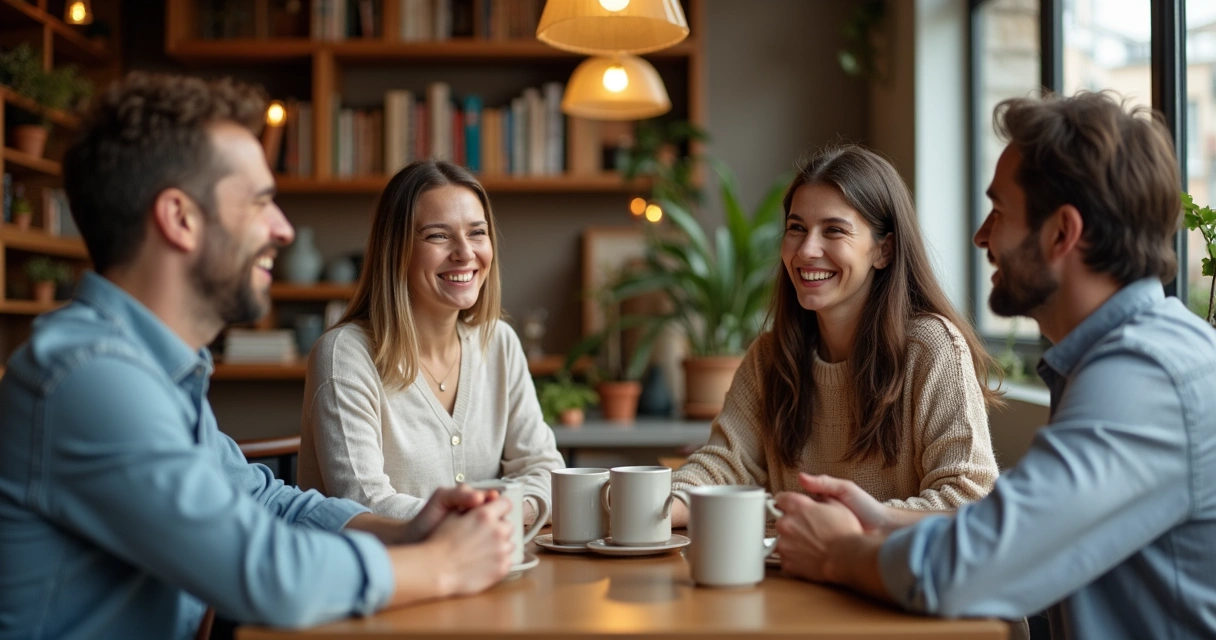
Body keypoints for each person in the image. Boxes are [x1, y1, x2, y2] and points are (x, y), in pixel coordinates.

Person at [0, 72, 517, 640]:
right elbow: (268, 574)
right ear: (180, 219)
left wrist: (413, 527)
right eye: (260, 202)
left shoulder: (157, 373)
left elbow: (269, 502)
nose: (284, 229)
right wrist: (444, 564)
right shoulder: (88, 378)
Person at [774, 92, 1216, 640]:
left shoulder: (1144, 379)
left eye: (1000, 211)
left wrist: (838, 553)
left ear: (1062, 233)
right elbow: (1021, 529)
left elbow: (976, 566)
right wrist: (882, 520)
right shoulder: (1127, 359)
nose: (982, 235)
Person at [669, 145, 1001, 526]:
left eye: (834, 231)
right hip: (796, 576)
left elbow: (970, 498)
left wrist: (849, 523)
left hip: (887, 582)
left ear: (884, 250)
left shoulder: (932, 348)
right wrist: (648, 508)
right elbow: (722, 466)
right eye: (796, 228)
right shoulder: (770, 356)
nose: (807, 249)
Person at [298, 159, 564, 523]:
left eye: (477, 232)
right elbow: (364, 504)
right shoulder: (344, 355)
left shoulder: (498, 342)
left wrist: (499, 516)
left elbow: (544, 468)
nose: (466, 253)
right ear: (397, 251)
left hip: (485, 569)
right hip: (381, 576)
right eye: (438, 235)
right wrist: (487, 520)